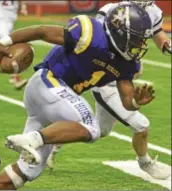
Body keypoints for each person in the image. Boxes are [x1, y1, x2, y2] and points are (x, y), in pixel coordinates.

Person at [0, 3, 156, 190]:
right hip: (48, 82)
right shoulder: (90, 33)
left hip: (57, 102)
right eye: (137, 39)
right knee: (91, 127)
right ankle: (34, 139)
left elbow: (126, 100)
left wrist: (135, 101)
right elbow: (41, 31)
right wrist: (3, 42)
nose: (140, 45)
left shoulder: (127, 63)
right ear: (120, 31)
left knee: (27, 171)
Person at [47, 0, 172, 177]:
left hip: (122, 77)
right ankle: (145, 163)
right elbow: (99, 42)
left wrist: (168, 45)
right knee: (141, 125)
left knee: (100, 130)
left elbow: (160, 37)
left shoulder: (153, 12)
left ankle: (55, 137)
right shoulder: (114, 10)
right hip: (107, 79)